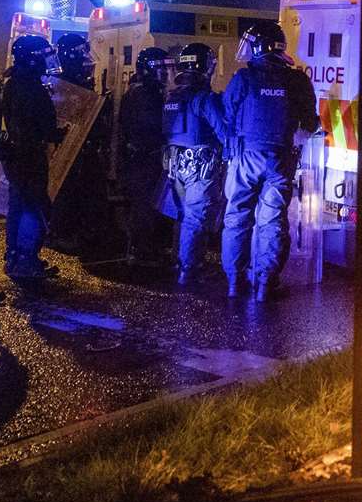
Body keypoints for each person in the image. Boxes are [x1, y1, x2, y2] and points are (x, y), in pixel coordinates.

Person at [219, 20, 319, 300]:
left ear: (259, 46)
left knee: (237, 217)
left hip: (244, 159)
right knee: (272, 221)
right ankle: (265, 283)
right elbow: (309, 123)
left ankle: (234, 281)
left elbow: (227, 115)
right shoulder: (297, 80)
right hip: (279, 160)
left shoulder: (243, 78)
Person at [0, 34, 65, 280]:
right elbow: (37, 124)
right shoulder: (29, 87)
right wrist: (57, 133)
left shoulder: (15, 83)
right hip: (28, 154)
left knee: (18, 205)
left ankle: (15, 256)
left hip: (16, 155)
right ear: (32, 60)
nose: (47, 62)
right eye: (44, 57)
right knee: (33, 208)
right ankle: (26, 260)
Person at [161, 42, 225, 284]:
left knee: (183, 215)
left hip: (175, 165)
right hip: (200, 166)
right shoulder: (204, 98)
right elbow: (223, 131)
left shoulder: (172, 96)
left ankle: (181, 261)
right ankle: (189, 270)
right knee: (195, 218)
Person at [50, 32, 110, 254]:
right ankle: (63, 233)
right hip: (72, 149)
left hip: (81, 148)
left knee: (83, 193)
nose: (86, 57)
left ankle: (77, 232)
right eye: (81, 52)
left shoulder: (73, 81)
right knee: (69, 193)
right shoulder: (66, 84)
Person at [119, 46, 170, 266]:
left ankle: (143, 249)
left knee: (145, 206)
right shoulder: (143, 95)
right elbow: (154, 127)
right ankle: (142, 252)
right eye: (162, 69)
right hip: (143, 159)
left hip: (140, 158)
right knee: (144, 207)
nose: (166, 74)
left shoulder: (142, 92)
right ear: (150, 70)